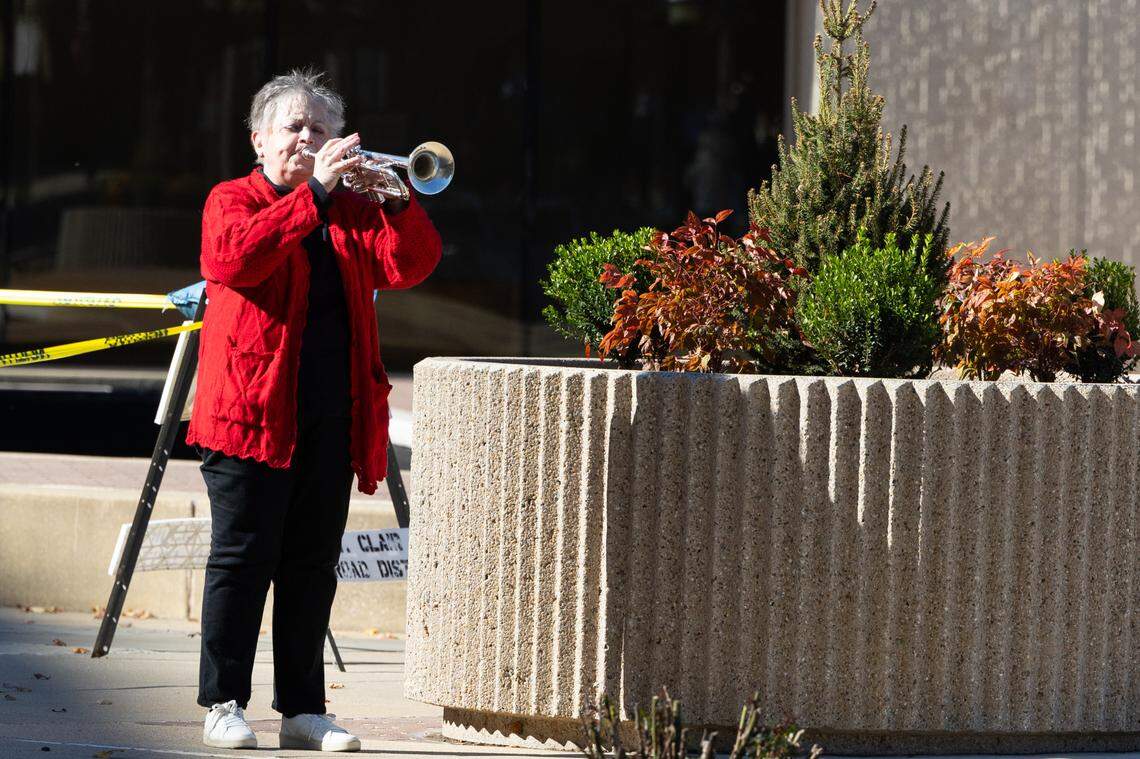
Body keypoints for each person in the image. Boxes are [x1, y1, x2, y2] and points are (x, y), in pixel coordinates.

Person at [186, 69, 441, 752]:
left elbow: (412, 264)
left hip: (331, 415)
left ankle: (303, 709)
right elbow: (234, 259)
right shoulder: (230, 199)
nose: (307, 137)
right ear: (259, 138)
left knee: (310, 563)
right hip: (250, 415)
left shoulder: (352, 210)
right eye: (293, 126)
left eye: (320, 128)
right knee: (240, 561)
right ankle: (223, 701)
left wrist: (396, 203)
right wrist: (316, 194)